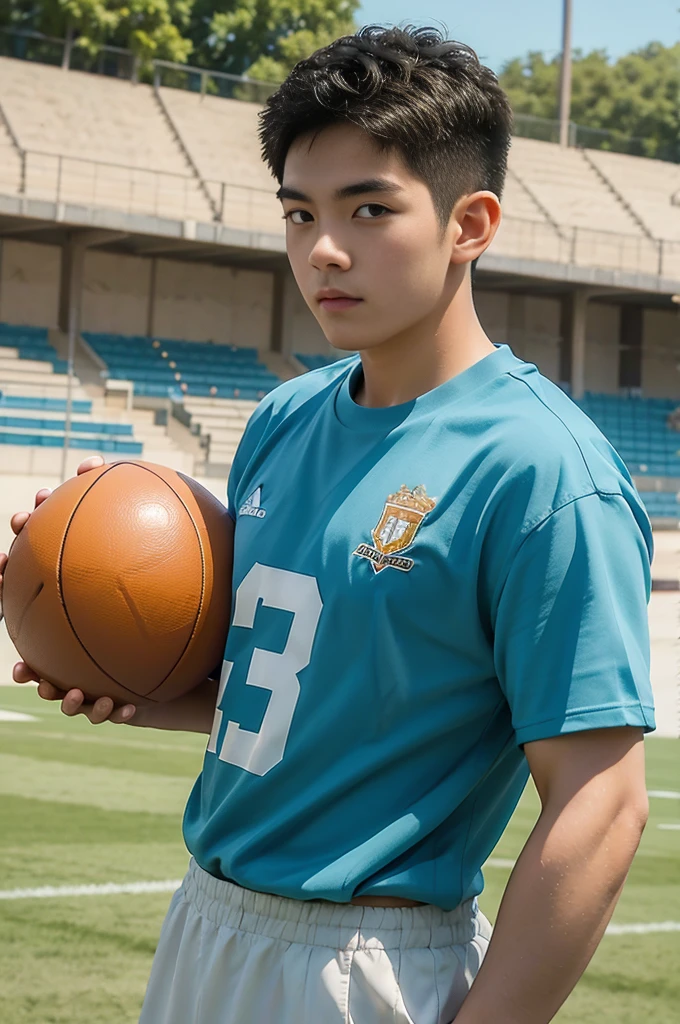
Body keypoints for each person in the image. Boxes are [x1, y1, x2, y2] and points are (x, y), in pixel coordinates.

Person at [0, 25, 655, 1024]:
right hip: (203, 924)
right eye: (299, 213)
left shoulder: (541, 470)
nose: (323, 249)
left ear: (469, 223)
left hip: (365, 961)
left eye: (368, 209)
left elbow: (600, 802)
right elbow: (279, 691)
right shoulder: (283, 418)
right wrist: (121, 661)